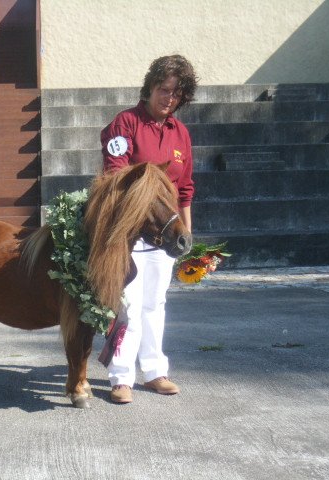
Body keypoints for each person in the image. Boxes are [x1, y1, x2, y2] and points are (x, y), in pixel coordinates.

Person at [100, 54, 197, 404]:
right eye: (163, 89)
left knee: (156, 302)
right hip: (131, 233)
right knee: (129, 303)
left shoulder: (180, 133)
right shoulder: (125, 123)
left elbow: (184, 189)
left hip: (167, 234)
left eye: (176, 93)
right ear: (150, 88)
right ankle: (121, 377)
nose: (168, 98)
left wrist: (187, 235)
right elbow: (116, 173)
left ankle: (155, 371)